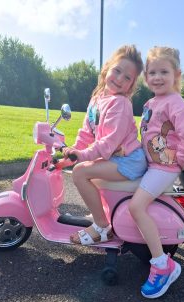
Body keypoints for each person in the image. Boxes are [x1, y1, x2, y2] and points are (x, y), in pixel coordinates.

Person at [128, 46, 184, 299]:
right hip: (152, 164)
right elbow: (147, 134)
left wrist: (178, 161)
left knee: (136, 207)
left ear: (176, 74)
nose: (157, 77)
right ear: (146, 76)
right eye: (152, 72)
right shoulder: (152, 102)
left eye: (164, 72)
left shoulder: (175, 103)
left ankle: (162, 265)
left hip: (164, 167)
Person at [62, 45, 147, 245]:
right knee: (84, 168)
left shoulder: (120, 103)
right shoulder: (97, 99)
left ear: (131, 85)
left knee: (80, 172)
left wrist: (81, 157)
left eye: (127, 78)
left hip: (129, 160)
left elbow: (109, 143)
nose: (119, 79)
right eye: (117, 71)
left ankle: (101, 227)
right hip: (117, 157)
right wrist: (74, 150)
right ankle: (102, 215)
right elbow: (86, 133)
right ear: (107, 68)